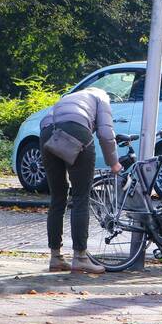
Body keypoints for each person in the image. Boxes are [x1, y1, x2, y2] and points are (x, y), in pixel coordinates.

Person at [39, 86, 122, 274]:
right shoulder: (102, 97)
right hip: (76, 130)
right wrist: (114, 163)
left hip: (47, 132)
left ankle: (55, 257)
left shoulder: (71, 97)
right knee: (80, 196)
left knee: (57, 197)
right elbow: (106, 134)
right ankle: (80, 258)